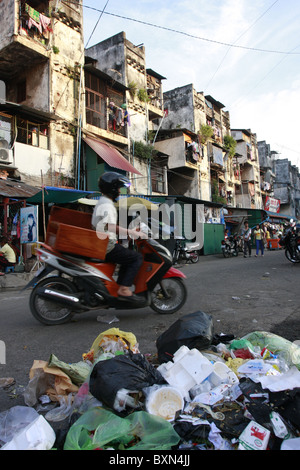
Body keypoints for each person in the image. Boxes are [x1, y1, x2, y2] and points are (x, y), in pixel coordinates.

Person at [91, 172, 146, 302]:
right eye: (119, 189)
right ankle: (124, 288)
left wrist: (131, 230)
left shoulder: (102, 201)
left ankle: (120, 286)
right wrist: (131, 233)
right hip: (106, 245)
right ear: (113, 189)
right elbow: (110, 226)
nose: (120, 192)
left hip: (102, 242)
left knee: (127, 255)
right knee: (136, 257)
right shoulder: (107, 205)